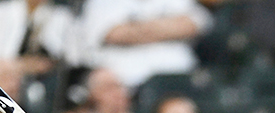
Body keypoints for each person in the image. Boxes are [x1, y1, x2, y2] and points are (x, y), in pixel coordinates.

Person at [76, 0, 214, 88]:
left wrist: (134, 28)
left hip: (177, 83)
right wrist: (169, 26)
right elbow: (112, 35)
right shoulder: (102, 3)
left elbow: (191, 26)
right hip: (126, 87)